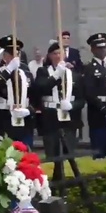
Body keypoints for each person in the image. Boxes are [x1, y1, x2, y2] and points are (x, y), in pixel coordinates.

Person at [34, 42, 84, 176]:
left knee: (69, 157)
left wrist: (72, 105)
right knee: (52, 156)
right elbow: (41, 88)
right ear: (49, 56)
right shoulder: (43, 72)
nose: (57, 56)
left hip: (69, 118)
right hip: (50, 118)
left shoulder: (74, 75)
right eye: (54, 53)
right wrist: (56, 75)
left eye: (60, 53)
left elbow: (81, 99)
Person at [0, 35, 35, 147]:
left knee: (25, 155)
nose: (14, 57)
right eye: (11, 54)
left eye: (17, 54)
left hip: (24, 118)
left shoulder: (26, 72)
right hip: (4, 118)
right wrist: (8, 70)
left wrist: (29, 110)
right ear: (5, 55)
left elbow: (33, 94)